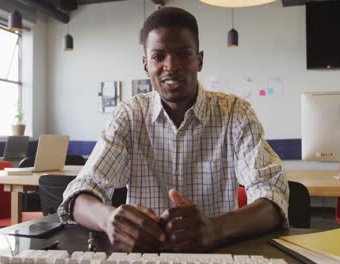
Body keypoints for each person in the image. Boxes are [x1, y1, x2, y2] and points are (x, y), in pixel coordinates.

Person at [59, 7, 288, 253]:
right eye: (158, 56)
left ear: (199, 60)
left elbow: (273, 195)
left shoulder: (235, 113)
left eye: (183, 54)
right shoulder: (130, 115)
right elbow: (80, 192)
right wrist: (107, 219)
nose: (171, 66)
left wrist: (215, 228)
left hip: (215, 254)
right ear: (146, 65)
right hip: (143, 256)